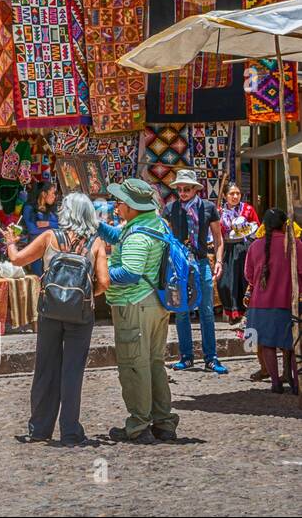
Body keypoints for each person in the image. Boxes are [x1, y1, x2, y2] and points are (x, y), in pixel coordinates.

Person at [3, 192, 109, 445]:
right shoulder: (96, 244)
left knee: (45, 369)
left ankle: (39, 429)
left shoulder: (50, 237)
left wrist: (9, 241)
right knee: (73, 372)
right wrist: (85, 296)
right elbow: (104, 282)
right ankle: (70, 431)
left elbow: (17, 259)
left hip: (50, 312)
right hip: (81, 316)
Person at [95, 179, 179, 444]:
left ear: (131, 206)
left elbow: (130, 272)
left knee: (133, 366)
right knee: (154, 363)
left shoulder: (138, 236)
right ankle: (163, 422)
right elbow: (119, 236)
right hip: (156, 305)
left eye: (119, 202)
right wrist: (95, 225)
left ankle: (139, 425)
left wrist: (101, 271)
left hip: (134, 305)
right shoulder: (154, 224)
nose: (116, 206)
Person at [163, 169, 228, 374]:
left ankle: (211, 358)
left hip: (201, 263)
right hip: (179, 265)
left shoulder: (208, 208)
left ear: (195, 189)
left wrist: (218, 261)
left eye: (186, 189)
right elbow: (165, 237)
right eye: (179, 189)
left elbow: (218, 238)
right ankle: (187, 357)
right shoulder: (170, 209)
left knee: (206, 311)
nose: (182, 192)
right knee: (182, 311)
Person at [244, 208, 302, 395]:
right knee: (292, 345)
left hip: (260, 304)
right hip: (289, 302)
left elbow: (249, 276)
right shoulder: (296, 245)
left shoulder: (255, 247)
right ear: (285, 224)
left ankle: (275, 382)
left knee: (267, 344)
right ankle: (295, 382)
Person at [217, 182, 258, 328]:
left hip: (244, 248)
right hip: (227, 249)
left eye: (237, 193)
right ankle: (232, 312)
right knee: (225, 283)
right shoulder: (220, 212)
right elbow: (217, 234)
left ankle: (245, 314)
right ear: (224, 196)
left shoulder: (247, 209)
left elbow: (257, 228)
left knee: (243, 281)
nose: (235, 196)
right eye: (231, 194)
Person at [20, 180, 60, 276]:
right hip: (37, 249)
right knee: (39, 277)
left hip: (53, 249)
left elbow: (62, 226)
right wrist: (53, 227)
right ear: (43, 193)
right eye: (53, 193)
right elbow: (33, 230)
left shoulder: (52, 209)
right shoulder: (29, 208)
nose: (54, 196)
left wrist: (48, 223)